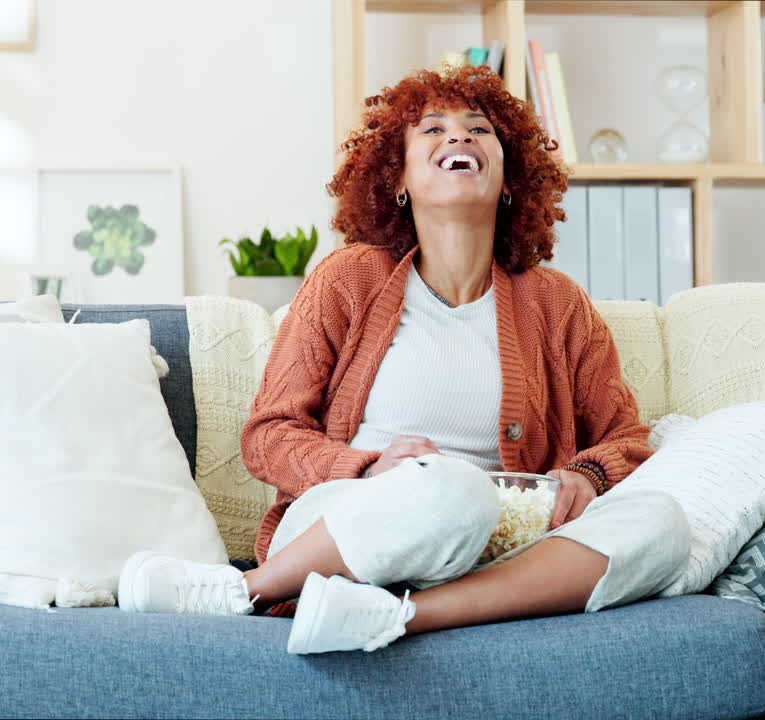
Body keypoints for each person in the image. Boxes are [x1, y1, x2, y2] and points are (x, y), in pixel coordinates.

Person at [117, 64, 690, 654]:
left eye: (478, 128)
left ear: (511, 177)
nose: (459, 137)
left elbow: (626, 437)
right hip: (357, 519)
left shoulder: (558, 303)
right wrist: (367, 468)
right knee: (455, 489)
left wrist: (587, 475)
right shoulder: (349, 279)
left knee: (663, 523)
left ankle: (394, 616)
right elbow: (269, 434)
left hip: (501, 541)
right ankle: (246, 590)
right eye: (433, 129)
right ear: (399, 179)